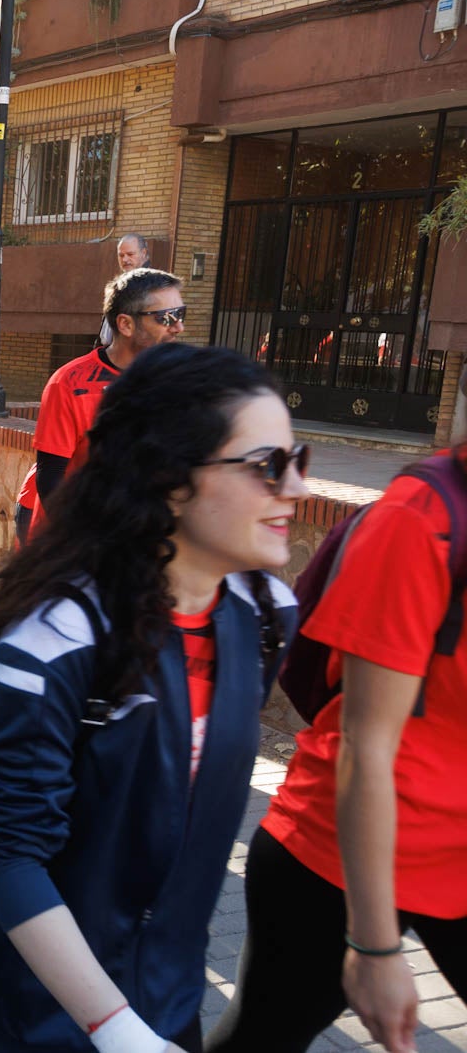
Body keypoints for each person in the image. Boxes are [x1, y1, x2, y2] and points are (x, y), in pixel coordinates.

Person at [0, 343, 306, 1053]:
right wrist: (117, 1029)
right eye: (267, 465)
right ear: (170, 478)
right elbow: (9, 854)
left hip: (158, 996)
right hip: (5, 1007)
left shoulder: (265, 613)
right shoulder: (53, 639)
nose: (297, 488)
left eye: (297, 458)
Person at [206, 451, 467, 1052]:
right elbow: (364, 744)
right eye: (272, 465)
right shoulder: (420, 517)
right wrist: (375, 947)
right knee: (264, 1038)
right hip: (344, 850)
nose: (294, 486)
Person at [14, 268, 185, 544]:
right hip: (72, 545)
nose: (178, 327)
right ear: (126, 325)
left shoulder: (174, 380)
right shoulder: (69, 383)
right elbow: (51, 477)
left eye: (181, 314)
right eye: (167, 317)